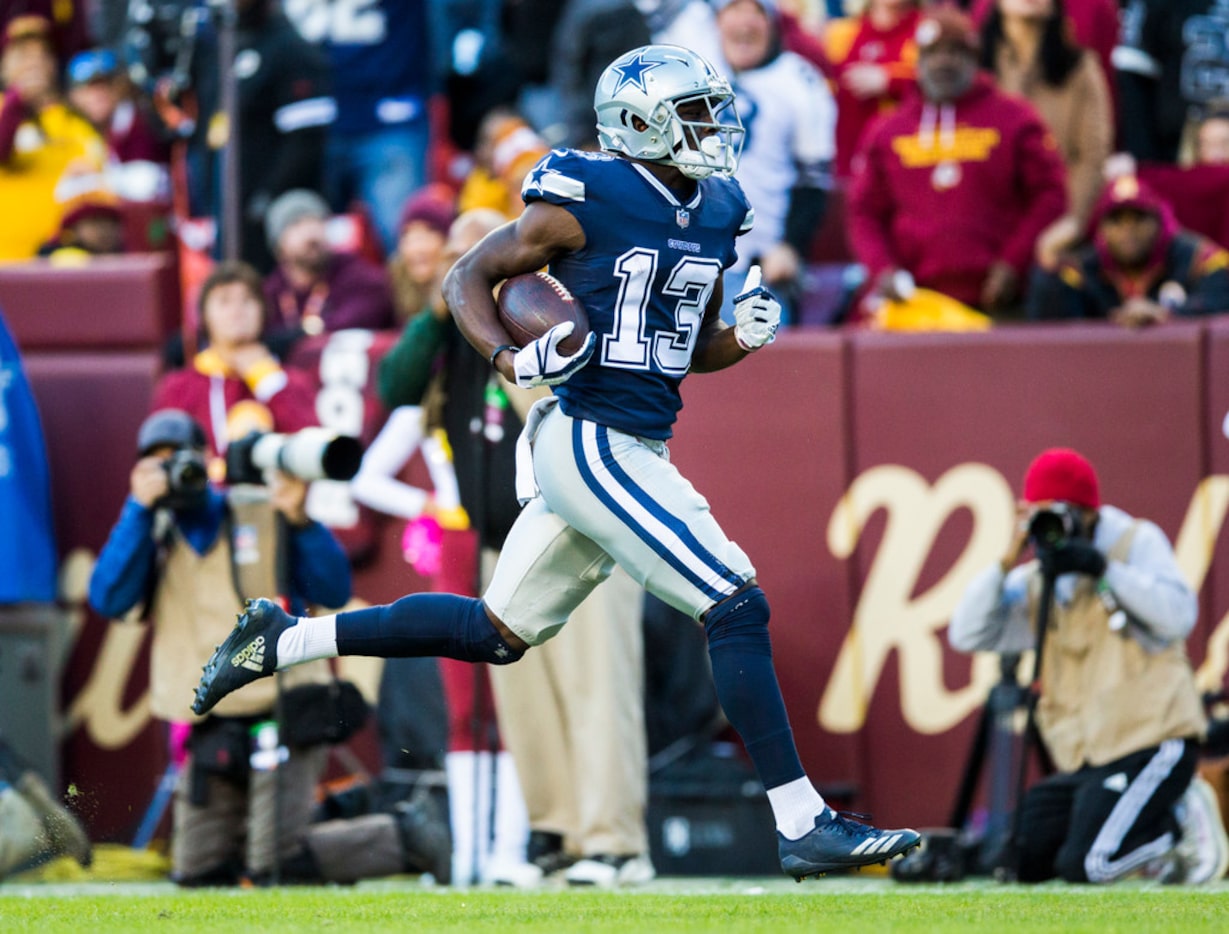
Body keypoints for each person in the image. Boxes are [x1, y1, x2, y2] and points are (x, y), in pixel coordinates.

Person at [191, 43, 921, 881]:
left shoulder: (717, 207)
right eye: (693, 113)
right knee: (733, 602)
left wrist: (737, 339)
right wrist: (509, 361)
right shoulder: (589, 192)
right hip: (589, 439)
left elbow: (679, 351)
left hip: (634, 437)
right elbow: (470, 274)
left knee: (493, 632)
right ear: (640, 123)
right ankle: (802, 820)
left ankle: (283, 638)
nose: (713, 129)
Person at [377, 208, 654, 887]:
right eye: (454, 255)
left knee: (595, 687)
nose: (462, 264)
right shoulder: (451, 338)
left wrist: (500, 316)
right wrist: (447, 314)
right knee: (526, 701)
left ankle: (615, 841)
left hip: (583, 533)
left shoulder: (549, 312)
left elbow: (552, 404)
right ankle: (555, 832)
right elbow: (394, 386)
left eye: (475, 251)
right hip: (504, 541)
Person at [88, 409, 450, 886]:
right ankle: (335, 813)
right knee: (200, 873)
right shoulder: (151, 527)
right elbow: (110, 599)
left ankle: (408, 836)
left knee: (273, 866)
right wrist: (138, 509)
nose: (178, 472)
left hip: (283, 707)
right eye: (160, 463)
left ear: (207, 458)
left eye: (184, 459)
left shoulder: (262, 507)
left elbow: (333, 588)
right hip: (207, 719)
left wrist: (299, 520)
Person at [948, 447, 1229, 884]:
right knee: (1021, 861)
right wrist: (1008, 557)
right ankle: (1147, 824)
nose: (1054, 527)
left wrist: (1102, 568)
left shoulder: (1134, 542)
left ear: (1089, 512)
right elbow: (967, 633)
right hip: (1089, 757)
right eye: (1042, 516)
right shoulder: (1041, 578)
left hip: (1152, 740)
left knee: (1087, 866)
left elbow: (1178, 617)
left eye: (1062, 514)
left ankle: (1177, 823)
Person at [847, 4, 1067, 319]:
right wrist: (883, 271)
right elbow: (864, 211)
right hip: (917, 305)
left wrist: (1013, 263)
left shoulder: (1015, 118)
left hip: (1001, 303)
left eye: (955, 52)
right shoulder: (887, 130)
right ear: (918, 61)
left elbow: (1051, 195)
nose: (943, 62)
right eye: (933, 53)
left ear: (974, 58)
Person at [713, 0, 836, 326]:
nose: (745, 21)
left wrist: (792, 246)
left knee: (757, 367)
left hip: (759, 264)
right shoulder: (698, 70)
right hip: (692, 255)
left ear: (771, 22)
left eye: (755, 11)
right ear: (718, 19)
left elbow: (814, 178)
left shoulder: (799, 79)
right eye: (734, 9)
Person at [282, 0, 434, 256]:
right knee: (297, 244)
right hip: (306, 122)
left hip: (388, 117)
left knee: (408, 239)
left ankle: (419, 297)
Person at [979, 0, 1113, 270]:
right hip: (989, 227)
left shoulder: (1080, 68)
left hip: (1059, 224)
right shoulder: (976, 68)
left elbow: (1092, 157)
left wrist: (1073, 222)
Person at [153, 260, 318, 469]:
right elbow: (159, 459)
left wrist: (266, 379)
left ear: (263, 311)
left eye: (247, 300)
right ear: (204, 315)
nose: (237, 311)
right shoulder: (178, 386)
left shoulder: (291, 381)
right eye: (224, 301)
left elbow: (311, 451)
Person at [1026, 174, 1229, 325]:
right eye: (1116, 220)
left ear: (1160, 222)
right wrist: (1048, 268)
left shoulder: (1194, 256)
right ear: (1101, 229)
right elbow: (1050, 324)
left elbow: (1221, 298)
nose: (1128, 230)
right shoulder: (1083, 268)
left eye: (1139, 218)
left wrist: (1167, 314)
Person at [0, 14, 107, 260]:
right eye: (23, 56)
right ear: (5, 65)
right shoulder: (3, 109)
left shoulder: (74, 121)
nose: (33, 63)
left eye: (41, 55)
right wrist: (17, 100)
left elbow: (98, 176)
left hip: (58, 264)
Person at [261, 189, 397, 356]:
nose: (311, 233)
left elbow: (356, 321)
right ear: (278, 245)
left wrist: (293, 338)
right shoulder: (270, 293)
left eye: (317, 221)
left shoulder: (358, 276)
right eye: (296, 224)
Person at [820, 0, 922, 181]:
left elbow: (945, 84)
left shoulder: (926, 30)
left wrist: (890, 80)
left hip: (904, 159)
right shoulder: (842, 33)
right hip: (847, 158)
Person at [387, 186, 457, 322]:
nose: (416, 248)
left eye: (425, 236)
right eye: (408, 237)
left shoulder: (460, 297)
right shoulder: (397, 285)